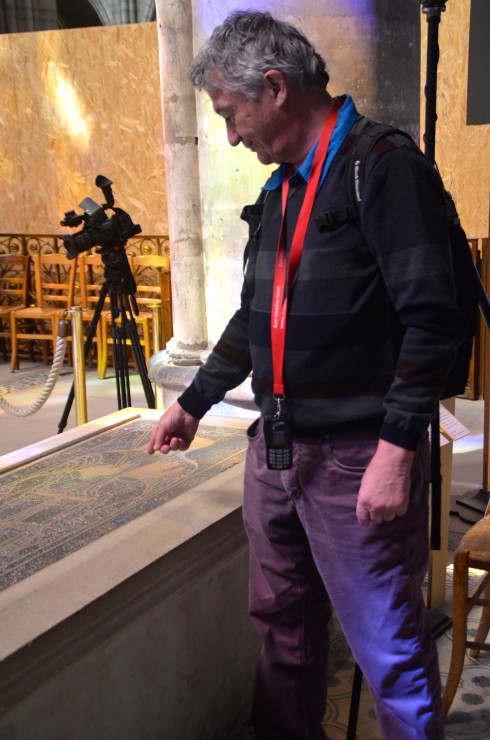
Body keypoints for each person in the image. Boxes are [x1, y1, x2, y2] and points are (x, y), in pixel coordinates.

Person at [148, 10, 463, 740]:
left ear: (275, 87)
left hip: (357, 458)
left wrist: (395, 450)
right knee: (283, 635)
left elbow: (434, 319)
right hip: (279, 451)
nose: (230, 135)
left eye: (231, 115)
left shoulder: (382, 169)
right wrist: (193, 403)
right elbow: (255, 319)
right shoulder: (283, 190)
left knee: (387, 649)